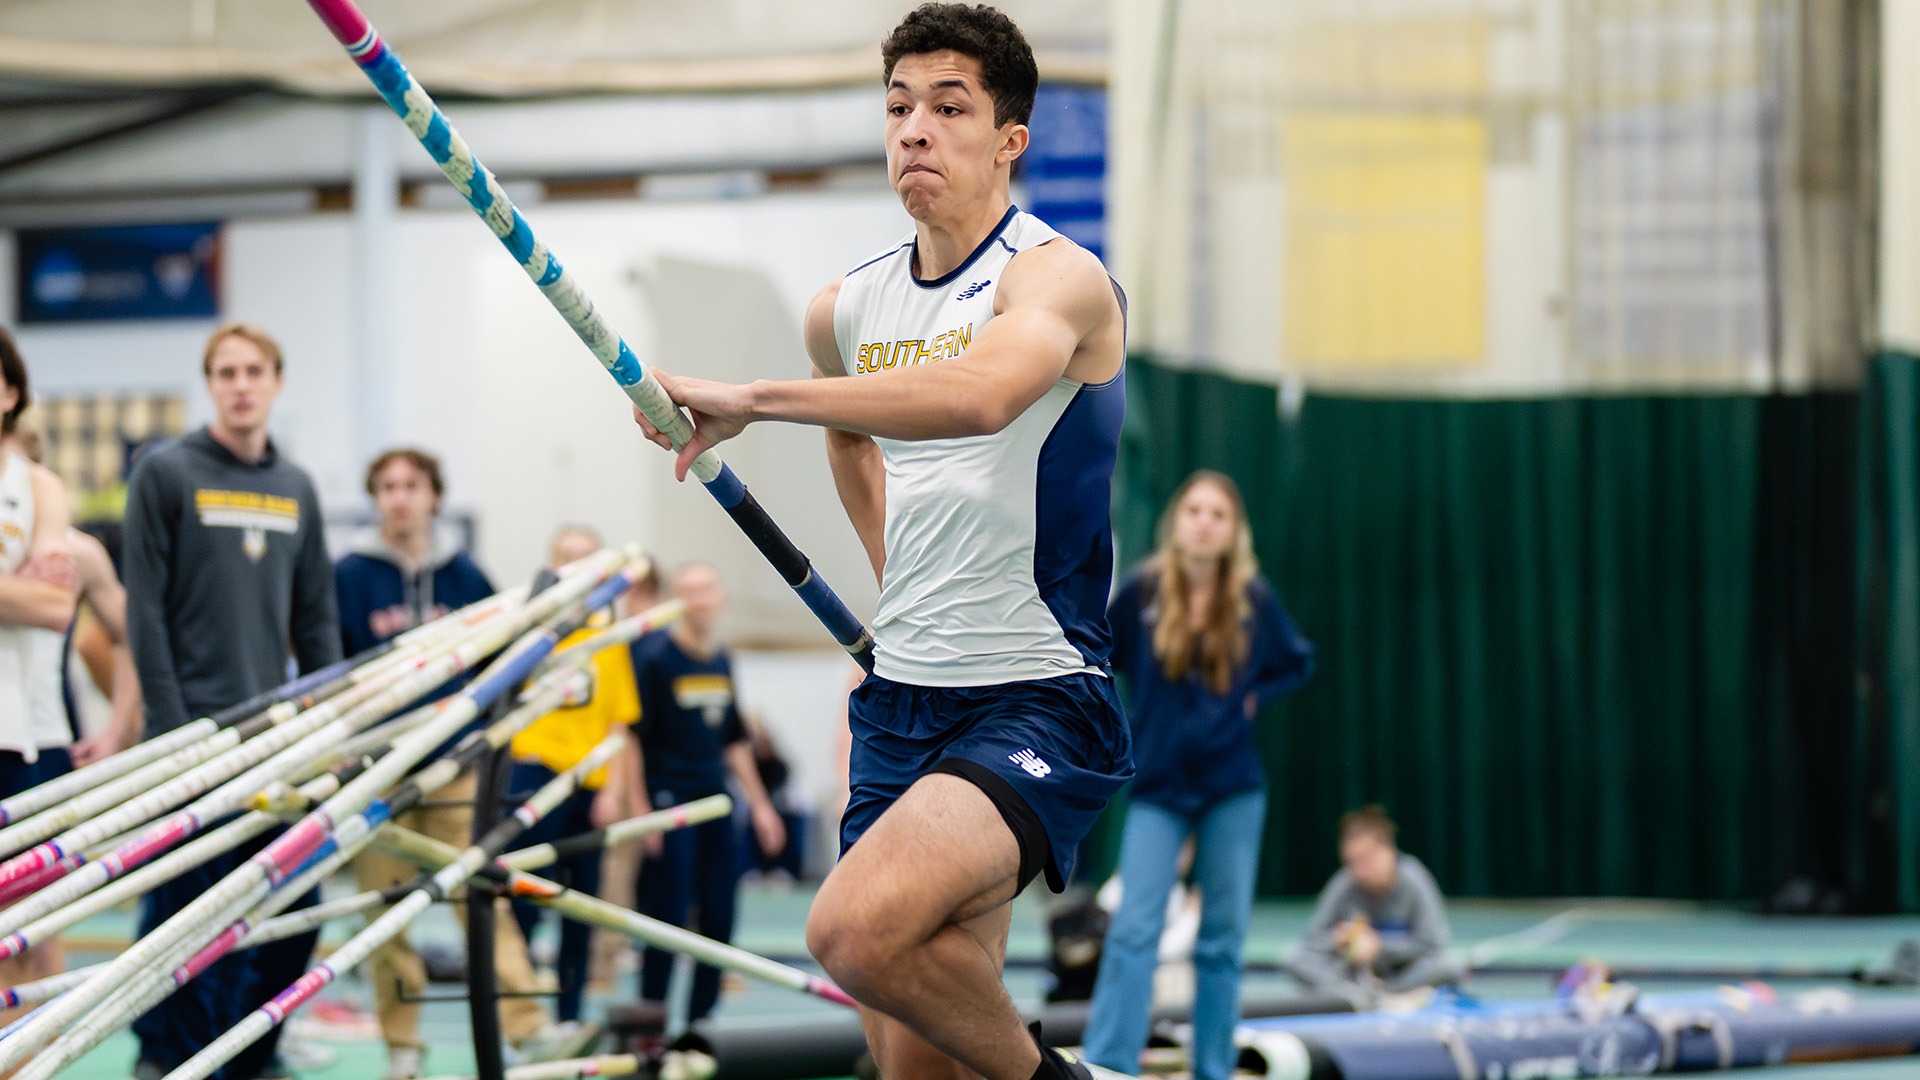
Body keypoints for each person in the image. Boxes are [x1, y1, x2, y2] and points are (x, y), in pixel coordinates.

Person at [631, 6, 1132, 1075]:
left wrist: (757, 398)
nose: (915, 128)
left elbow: (986, 394)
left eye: (950, 107)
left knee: (850, 930)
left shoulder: (1058, 280)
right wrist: (894, 573)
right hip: (899, 697)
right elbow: (855, 435)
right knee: (916, 1065)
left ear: (1010, 140)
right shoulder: (847, 308)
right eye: (899, 105)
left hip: (1034, 692)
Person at [123, 322, 341, 1080]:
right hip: (192, 739)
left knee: (288, 912)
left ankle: (251, 1054)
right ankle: (171, 1059)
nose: (241, 384)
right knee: (189, 918)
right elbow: (142, 614)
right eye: (225, 372)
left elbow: (316, 623)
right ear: (210, 384)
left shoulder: (297, 488)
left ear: (276, 383)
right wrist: (172, 732)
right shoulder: (167, 473)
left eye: (254, 371)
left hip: (279, 741)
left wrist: (335, 730)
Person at [336, 454, 584, 1080]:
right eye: (387, 487)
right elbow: (330, 661)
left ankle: (527, 1031)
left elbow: (502, 657)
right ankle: (402, 1051)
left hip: (456, 766)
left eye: (411, 486)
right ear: (375, 498)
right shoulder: (349, 575)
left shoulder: (465, 573)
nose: (399, 499)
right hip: (380, 766)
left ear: (434, 497)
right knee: (384, 913)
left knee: (482, 895)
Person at [1082, 470, 1314, 1080]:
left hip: (1233, 789)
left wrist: (1255, 694)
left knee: (1221, 941)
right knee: (1134, 931)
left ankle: (1213, 1068)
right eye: (1194, 510)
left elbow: (1297, 660)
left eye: (1218, 513)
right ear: (1176, 521)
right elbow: (1097, 654)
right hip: (1158, 788)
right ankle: (1109, 1064)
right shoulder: (1142, 591)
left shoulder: (1253, 599)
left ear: (1233, 529)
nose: (1204, 521)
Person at [503, 526, 651, 1041]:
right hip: (534, 775)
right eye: (566, 558)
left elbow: (618, 720)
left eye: (586, 559)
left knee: (578, 906)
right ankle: (517, 1017)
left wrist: (612, 790)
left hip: (589, 782)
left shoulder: (609, 635)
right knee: (520, 899)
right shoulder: (532, 627)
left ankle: (568, 1014)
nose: (576, 568)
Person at [629, 562, 783, 1046]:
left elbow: (734, 742)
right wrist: (641, 811)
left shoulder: (721, 660)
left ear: (720, 598)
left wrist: (761, 806)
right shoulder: (654, 658)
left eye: (705, 590)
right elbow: (631, 739)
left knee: (719, 913)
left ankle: (701, 1021)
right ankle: (651, 1019)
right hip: (670, 801)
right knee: (668, 911)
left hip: (716, 802)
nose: (698, 600)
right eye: (687, 592)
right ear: (676, 600)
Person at [0, 331, 79, 1029]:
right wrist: (14, 586)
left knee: (27, 929)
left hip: (24, 734)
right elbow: (35, 594)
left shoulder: (37, 485)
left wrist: (34, 594)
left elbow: (57, 605)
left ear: (9, 393)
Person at [1283, 806, 1468, 1005]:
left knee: (1450, 966)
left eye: (1366, 860)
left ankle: (1380, 996)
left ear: (1388, 851)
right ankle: (1353, 995)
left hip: (1402, 974)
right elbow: (1312, 941)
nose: (1359, 870)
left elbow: (1432, 943)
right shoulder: (1344, 883)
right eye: (1353, 862)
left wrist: (1380, 948)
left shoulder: (1414, 879)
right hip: (1352, 975)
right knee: (1294, 959)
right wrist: (1338, 939)